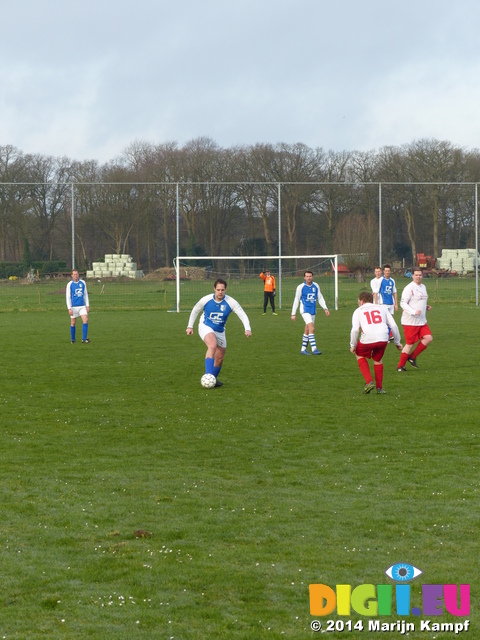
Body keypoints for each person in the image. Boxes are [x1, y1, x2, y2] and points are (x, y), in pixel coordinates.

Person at [186, 278, 252, 387]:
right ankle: (208, 376)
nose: (220, 292)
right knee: (212, 345)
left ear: (225, 290)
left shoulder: (231, 302)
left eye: (222, 290)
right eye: (218, 290)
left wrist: (247, 328)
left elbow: (243, 315)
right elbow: (195, 310)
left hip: (220, 330)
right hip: (205, 326)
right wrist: (190, 326)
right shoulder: (206, 299)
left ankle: (213, 379)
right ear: (214, 289)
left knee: (220, 358)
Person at [350, 291, 402, 394]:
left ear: (361, 301)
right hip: (383, 338)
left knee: (359, 354)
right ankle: (380, 388)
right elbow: (394, 326)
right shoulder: (382, 308)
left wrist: (353, 345)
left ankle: (369, 381)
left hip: (368, 338)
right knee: (378, 359)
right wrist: (397, 342)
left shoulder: (358, 311)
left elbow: (355, 330)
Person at [397, 268, 433, 372]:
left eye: (420, 275)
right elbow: (403, 303)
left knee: (428, 338)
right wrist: (413, 312)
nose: (418, 277)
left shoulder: (423, 287)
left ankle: (412, 357)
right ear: (412, 276)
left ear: (422, 276)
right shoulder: (409, 288)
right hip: (410, 321)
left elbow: (420, 301)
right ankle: (400, 366)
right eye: (416, 275)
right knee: (409, 344)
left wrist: (425, 307)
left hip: (421, 321)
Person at [291, 270, 330, 355]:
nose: (308, 278)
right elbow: (296, 300)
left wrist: (325, 308)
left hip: (312, 310)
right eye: (307, 276)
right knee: (312, 328)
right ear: (304, 277)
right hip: (304, 310)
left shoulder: (316, 286)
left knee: (307, 330)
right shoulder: (300, 287)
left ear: (312, 277)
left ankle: (303, 349)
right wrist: (293, 313)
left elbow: (320, 297)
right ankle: (314, 349)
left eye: (310, 276)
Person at [66, 269, 90, 344]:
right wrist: (69, 308)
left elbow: (85, 294)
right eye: (74, 274)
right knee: (73, 322)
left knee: (85, 320)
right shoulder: (69, 284)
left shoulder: (83, 283)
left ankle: (84, 339)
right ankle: (73, 339)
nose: (76, 276)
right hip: (73, 307)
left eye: (77, 274)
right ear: (72, 275)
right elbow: (68, 297)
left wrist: (87, 305)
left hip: (82, 306)